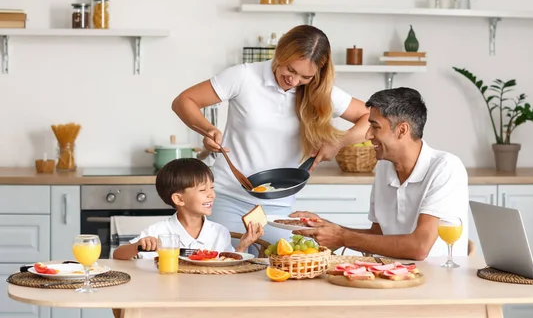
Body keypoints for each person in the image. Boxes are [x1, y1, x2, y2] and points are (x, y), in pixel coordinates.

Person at [171, 25, 370, 245]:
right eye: (290, 70)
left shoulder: (321, 91)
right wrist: (208, 129)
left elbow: (370, 116)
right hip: (228, 198)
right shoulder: (244, 76)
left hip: (278, 207)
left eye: (305, 76)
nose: (294, 81)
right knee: (228, 268)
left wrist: (339, 142)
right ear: (281, 53)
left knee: (277, 268)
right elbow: (184, 101)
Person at [291, 87, 469, 260]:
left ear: (402, 130)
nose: (367, 135)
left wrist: (342, 236)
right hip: (393, 275)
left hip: (437, 281)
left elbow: (419, 247)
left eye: (375, 127)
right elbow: (378, 235)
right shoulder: (385, 167)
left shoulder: (445, 167)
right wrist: (327, 227)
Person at [113, 158, 263, 260]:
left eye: (212, 188)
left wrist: (243, 245)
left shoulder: (219, 233)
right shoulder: (158, 232)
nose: (212, 195)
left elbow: (229, 267)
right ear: (179, 199)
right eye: (203, 190)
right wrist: (138, 247)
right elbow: (118, 255)